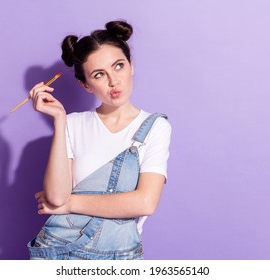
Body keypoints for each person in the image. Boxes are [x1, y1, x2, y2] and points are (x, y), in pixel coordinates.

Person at [27, 20, 171, 260]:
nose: (113, 81)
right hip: (58, 252)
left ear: (131, 66)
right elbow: (54, 197)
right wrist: (60, 120)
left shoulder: (156, 127)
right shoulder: (73, 123)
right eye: (99, 74)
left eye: (118, 66)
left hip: (119, 258)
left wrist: (70, 204)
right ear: (85, 84)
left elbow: (145, 202)